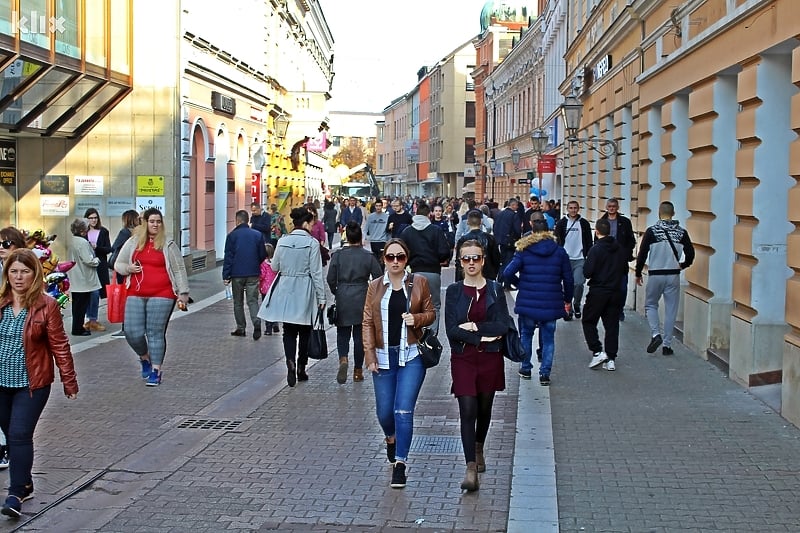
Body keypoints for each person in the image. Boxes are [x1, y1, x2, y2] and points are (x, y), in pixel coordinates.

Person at [0, 248, 78, 519]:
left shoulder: (47, 305)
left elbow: (59, 345)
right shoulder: (0, 302)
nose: (18, 277)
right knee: (10, 435)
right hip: (1, 383)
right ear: (6, 274)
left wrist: (69, 380)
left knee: (19, 434)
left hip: (31, 384)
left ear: (35, 274)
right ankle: (27, 481)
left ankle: (16, 492)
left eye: (24, 271)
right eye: (13, 272)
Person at [362, 238, 435, 489]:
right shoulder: (374, 286)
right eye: (390, 257)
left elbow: (431, 314)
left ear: (407, 259)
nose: (395, 261)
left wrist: (416, 319)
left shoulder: (419, 283)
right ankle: (391, 439)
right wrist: (369, 356)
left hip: (411, 355)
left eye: (400, 257)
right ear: (383, 259)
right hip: (383, 356)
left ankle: (400, 464)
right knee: (384, 412)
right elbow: (367, 322)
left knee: (403, 410)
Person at [444, 239, 510, 492]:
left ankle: (479, 445)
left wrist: (474, 328)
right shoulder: (454, 291)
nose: (471, 263)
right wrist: (481, 336)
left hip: (490, 358)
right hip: (463, 358)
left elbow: (502, 326)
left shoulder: (494, 289)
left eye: (476, 258)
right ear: (459, 262)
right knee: (467, 409)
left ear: (483, 260)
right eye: (466, 259)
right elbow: (451, 330)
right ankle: (470, 467)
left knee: (484, 409)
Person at [114, 208, 190, 387]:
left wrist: (183, 292)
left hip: (162, 294)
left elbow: (179, 269)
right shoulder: (133, 242)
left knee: (155, 332)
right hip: (136, 292)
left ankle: (156, 371)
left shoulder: (168, 244)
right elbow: (118, 263)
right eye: (152, 221)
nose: (155, 225)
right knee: (132, 332)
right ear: (145, 222)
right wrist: (129, 269)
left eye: (158, 221)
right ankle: (144, 358)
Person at [257, 206, 326, 387]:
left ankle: (290, 361)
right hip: (305, 287)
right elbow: (316, 273)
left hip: (286, 287)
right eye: (311, 224)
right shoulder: (312, 243)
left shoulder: (282, 241)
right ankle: (302, 366)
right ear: (304, 223)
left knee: (288, 331)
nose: (312, 227)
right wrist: (322, 298)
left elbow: (274, 267)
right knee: (304, 331)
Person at [503, 219, 573, 385]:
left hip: (528, 301)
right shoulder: (559, 252)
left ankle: (526, 368)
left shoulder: (524, 250)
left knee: (526, 335)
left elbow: (507, 272)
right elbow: (568, 279)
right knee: (549, 338)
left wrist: (519, 284)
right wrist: (567, 299)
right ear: (549, 231)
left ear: (532, 232)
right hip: (551, 301)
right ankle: (545, 373)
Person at [635, 201, 695, 356]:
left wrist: (638, 272)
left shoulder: (652, 231)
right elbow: (691, 253)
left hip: (655, 274)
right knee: (671, 310)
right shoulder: (681, 232)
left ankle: (656, 334)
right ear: (673, 213)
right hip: (673, 275)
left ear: (659, 213)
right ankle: (667, 346)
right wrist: (683, 265)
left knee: (650, 305)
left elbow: (642, 254)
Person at [327, 221, 382, 384]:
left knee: (342, 333)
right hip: (362, 296)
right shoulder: (368, 256)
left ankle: (343, 358)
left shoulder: (338, 255)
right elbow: (378, 277)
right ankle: (358, 371)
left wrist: (336, 291)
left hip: (343, 294)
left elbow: (330, 278)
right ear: (361, 237)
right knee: (359, 336)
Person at [583, 219, 629, 371]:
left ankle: (597, 351)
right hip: (615, 292)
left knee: (589, 321)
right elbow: (625, 270)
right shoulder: (620, 249)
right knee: (612, 326)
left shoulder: (595, 250)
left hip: (598, 291)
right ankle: (611, 359)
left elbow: (587, 272)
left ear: (596, 232)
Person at [399, 201, 451, 334]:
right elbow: (444, 251)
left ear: (416, 214)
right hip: (433, 271)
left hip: (414, 271)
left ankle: (416, 335)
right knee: (434, 305)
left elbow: (401, 252)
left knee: (415, 304)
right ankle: (431, 337)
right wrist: (438, 259)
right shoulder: (436, 230)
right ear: (429, 214)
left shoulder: (407, 231)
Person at [0, 227, 26, 470]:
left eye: (6, 243)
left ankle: (20, 484)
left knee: (17, 430)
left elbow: (58, 342)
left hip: (23, 373)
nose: (1, 247)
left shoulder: (28, 277)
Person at [223, 210, 268, 340]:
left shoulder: (232, 236)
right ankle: (256, 322)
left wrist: (226, 275)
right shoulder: (257, 235)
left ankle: (241, 328)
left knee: (238, 302)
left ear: (237, 220)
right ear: (248, 220)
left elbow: (229, 257)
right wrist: (255, 263)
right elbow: (262, 254)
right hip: (253, 272)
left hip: (237, 273)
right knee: (252, 300)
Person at [553, 201, 593, 320]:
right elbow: (557, 239)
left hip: (580, 258)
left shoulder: (584, 223)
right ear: (567, 209)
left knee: (579, 283)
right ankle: (568, 306)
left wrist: (588, 256)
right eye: (571, 208)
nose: (573, 210)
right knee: (567, 284)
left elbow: (589, 241)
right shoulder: (562, 223)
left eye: (575, 208)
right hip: (565, 259)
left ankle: (577, 303)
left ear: (578, 209)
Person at [599, 198, 637, 321]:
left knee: (622, 286)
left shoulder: (625, 222)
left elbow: (631, 240)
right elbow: (597, 240)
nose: (611, 208)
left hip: (621, 259)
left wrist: (626, 252)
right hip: (605, 259)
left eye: (614, 206)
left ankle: (619, 309)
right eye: (609, 206)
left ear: (617, 207)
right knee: (606, 284)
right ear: (606, 207)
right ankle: (608, 308)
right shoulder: (602, 221)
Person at [108, 210, 141, 337]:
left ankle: (125, 327)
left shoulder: (125, 232)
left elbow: (114, 247)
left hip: (124, 268)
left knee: (124, 297)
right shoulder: (138, 233)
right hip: (134, 267)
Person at [68, 218, 101, 337]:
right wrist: (96, 260)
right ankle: (78, 329)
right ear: (83, 230)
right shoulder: (82, 242)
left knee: (76, 306)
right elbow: (88, 260)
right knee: (81, 306)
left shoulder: (72, 240)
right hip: (84, 278)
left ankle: (76, 327)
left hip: (75, 277)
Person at [83, 208, 112, 332]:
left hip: (99, 265)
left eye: (95, 218)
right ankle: (89, 319)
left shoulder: (103, 231)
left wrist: (97, 247)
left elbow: (108, 249)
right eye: (90, 218)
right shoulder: (83, 232)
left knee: (96, 293)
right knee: (87, 293)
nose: (93, 220)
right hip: (86, 266)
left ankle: (92, 319)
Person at [454, 209, 499, 282]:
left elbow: (459, 262)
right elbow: (496, 259)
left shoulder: (463, 240)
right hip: (487, 275)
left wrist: (458, 280)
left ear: (468, 222)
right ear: (481, 222)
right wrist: (494, 274)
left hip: (468, 277)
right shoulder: (490, 238)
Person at [492, 198, 524, 289]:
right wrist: (518, 239)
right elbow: (517, 229)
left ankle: (500, 281)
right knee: (508, 262)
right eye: (516, 205)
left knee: (503, 261)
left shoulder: (499, 214)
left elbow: (495, 226)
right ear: (513, 205)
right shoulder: (514, 215)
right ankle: (505, 282)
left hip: (500, 241)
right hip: (510, 241)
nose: (517, 207)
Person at [365, 198, 390, 268]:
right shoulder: (370, 217)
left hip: (382, 241)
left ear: (382, 206)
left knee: (381, 260)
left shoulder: (387, 217)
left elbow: (388, 230)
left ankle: (381, 275)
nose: (378, 207)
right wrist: (363, 238)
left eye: (379, 206)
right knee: (375, 260)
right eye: (377, 206)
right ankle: (376, 276)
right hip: (373, 240)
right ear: (375, 206)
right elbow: (366, 228)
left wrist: (388, 240)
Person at [258, 243, 278, 336]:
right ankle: (275, 323)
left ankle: (268, 328)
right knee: (274, 306)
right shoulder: (276, 263)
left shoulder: (263, 264)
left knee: (267, 307)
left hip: (265, 289)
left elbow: (261, 276)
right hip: (275, 288)